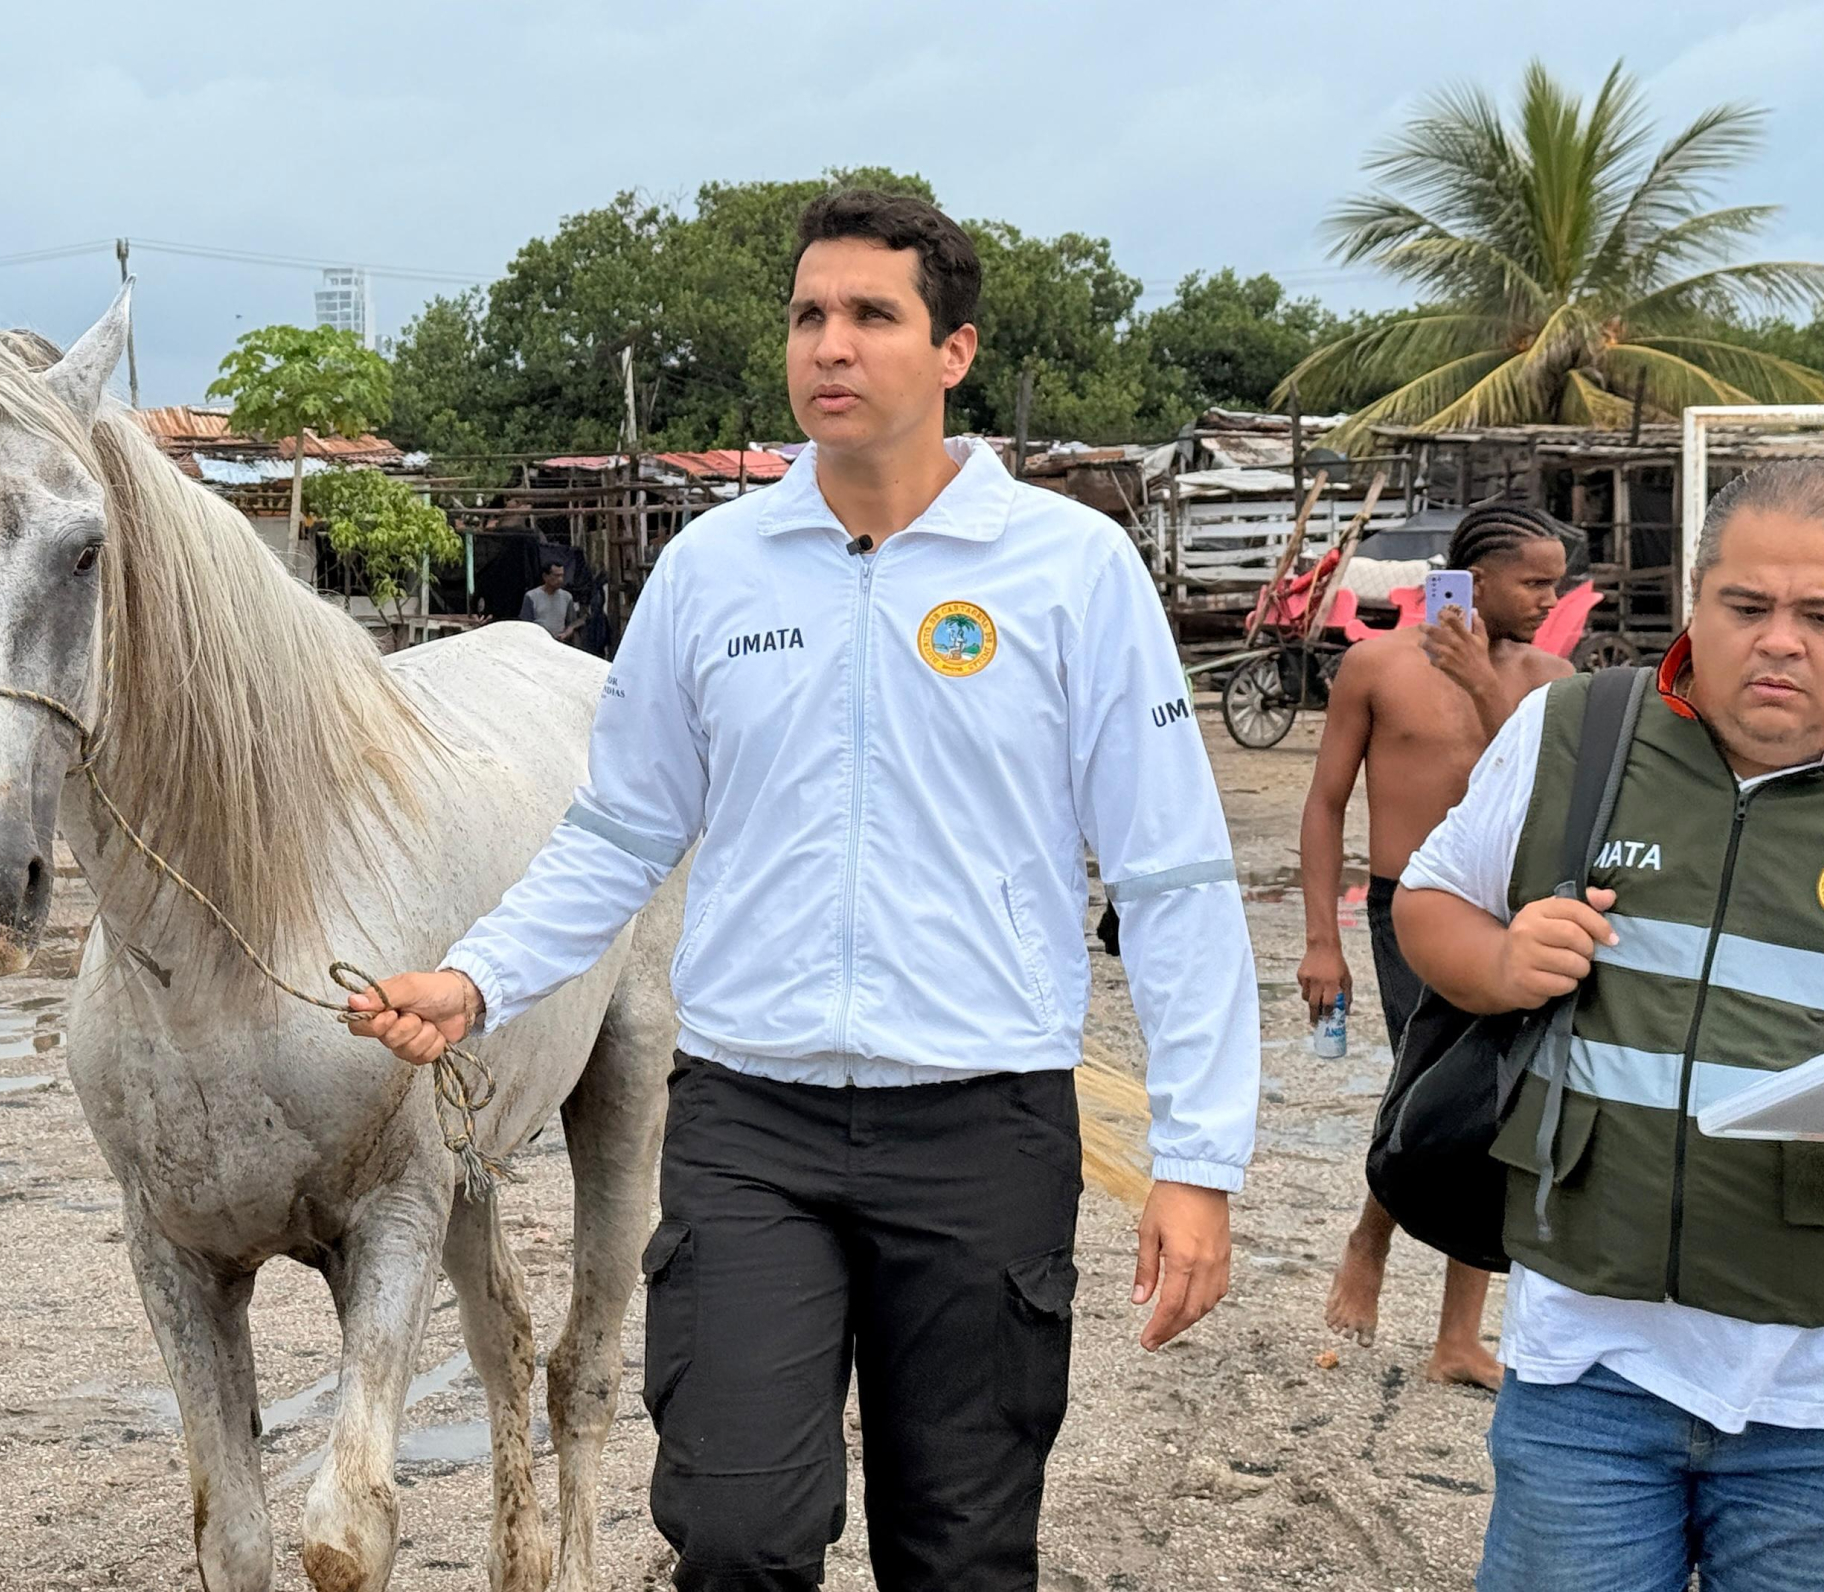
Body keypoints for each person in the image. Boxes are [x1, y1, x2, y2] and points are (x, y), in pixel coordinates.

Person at [349, 188, 1260, 1590]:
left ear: (952, 353)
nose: (830, 345)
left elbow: (1176, 876)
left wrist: (1198, 1158)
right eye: (808, 316)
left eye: (871, 316)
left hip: (983, 1121)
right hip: (749, 1124)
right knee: (734, 1533)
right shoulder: (716, 572)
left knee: (958, 1552)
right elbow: (618, 834)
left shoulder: (1071, 575)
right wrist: (476, 977)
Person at [1397, 460, 1824, 1591]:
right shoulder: (1578, 730)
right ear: (1697, 600)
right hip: (1589, 1364)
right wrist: (1497, 960)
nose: (1778, 640)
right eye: (1746, 607)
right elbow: (1428, 897)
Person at [1305, 500, 1573, 1387]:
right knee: (1425, 1089)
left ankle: (1458, 1336)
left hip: (1515, 912)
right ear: (1475, 578)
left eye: (1556, 580)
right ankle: (1370, 1239)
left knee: (1495, 1103)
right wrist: (1321, 940)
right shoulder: (1376, 667)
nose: (1550, 596)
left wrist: (1485, 685)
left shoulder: (1551, 680)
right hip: (1407, 908)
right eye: (1534, 581)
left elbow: (1542, 791)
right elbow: (1324, 805)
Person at [517, 560, 582, 644]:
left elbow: (571, 624)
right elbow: (526, 624)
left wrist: (565, 634)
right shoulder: (531, 596)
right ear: (545, 576)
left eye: (562, 576)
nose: (560, 579)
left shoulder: (567, 597)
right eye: (556, 576)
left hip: (559, 642)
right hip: (538, 642)